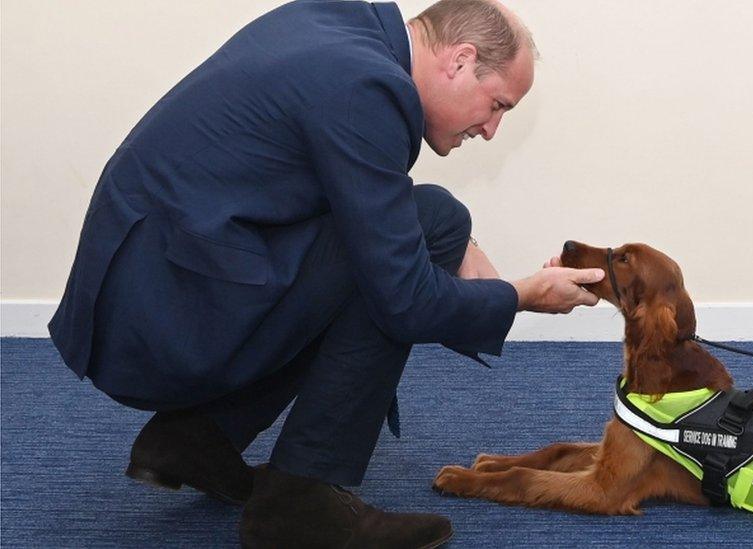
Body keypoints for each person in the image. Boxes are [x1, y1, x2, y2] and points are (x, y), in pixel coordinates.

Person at [48, 0, 603, 547]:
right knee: (412, 250)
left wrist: (464, 250)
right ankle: (300, 505)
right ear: (460, 60)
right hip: (167, 320)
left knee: (437, 221)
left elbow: (363, 204)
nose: (491, 131)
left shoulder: (339, 25)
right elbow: (405, 300)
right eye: (498, 104)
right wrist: (520, 296)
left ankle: (198, 438)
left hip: (150, 286)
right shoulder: (367, 89)